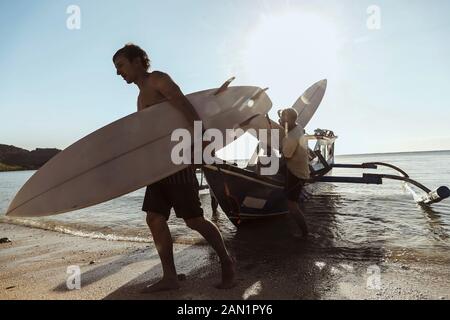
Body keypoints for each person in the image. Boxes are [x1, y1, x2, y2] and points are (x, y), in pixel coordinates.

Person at [112, 43, 235, 292]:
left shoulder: (158, 80)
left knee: (193, 219)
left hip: (177, 163)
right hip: (158, 167)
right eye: (116, 68)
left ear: (137, 61)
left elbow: (186, 108)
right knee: (154, 218)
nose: (118, 72)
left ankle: (227, 262)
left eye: (121, 65)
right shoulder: (139, 97)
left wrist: (201, 141)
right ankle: (170, 277)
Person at [277, 108, 310, 238]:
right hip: (297, 167)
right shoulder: (297, 127)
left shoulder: (291, 138)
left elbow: (286, 158)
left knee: (292, 206)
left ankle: (305, 234)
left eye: (282, 118)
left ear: (290, 120)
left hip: (296, 174)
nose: (280, 120)